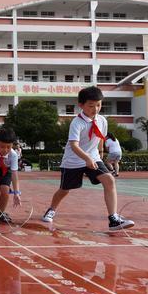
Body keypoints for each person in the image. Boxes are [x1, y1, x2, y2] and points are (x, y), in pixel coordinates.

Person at [42, 86, 134, 231]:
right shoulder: (77, 123)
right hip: (73, 161)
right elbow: (74, 145)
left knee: (109, 180)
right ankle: (51, 209)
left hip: (93, 158)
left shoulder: (102, 120)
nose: (95, 109)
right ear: (81, 105)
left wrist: (100, 154)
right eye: (91, 106)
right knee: (65, 189)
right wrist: (86, 158)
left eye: (98, 105)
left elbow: (100, 138)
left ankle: (113, 219)